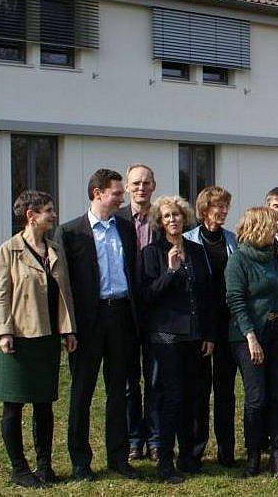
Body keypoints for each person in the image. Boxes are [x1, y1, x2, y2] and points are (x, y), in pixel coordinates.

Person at [55, 168, 140, 481]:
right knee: (82, 392)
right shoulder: (70, 232)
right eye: (117, 193)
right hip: (88, 323)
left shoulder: (126, 228)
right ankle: (80, 461)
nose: (122, 198)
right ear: (98, 193)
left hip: (120, 317)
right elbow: (63, 286)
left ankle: (118, 456)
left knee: (119, 391)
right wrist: (69, 328)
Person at [0, 190, 77, 487]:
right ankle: (19, 469)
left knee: (44, 404)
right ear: (32, 215)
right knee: (13, 406)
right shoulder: (9, 250)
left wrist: (68, 330)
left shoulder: (53, 250)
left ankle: (44, 467)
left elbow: (63, 296)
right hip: (18, 338)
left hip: (47, 338)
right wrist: (3, 332)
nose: (54, 215)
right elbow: (1, 294)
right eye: (49, 211)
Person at [139, 196, 214, 483]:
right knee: (171, 397)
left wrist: (208, 333)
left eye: (177, 215)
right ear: (160, 221)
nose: (173, 220)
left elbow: (206, 294)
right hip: (166, 335)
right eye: (167, 216)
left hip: (195, 335)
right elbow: (147, 295)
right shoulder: (152, 253)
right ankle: (164, 460)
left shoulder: (195, 250)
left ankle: (189, 457)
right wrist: (170, 271)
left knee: (194, 397)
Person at [225, 207, 278, 478]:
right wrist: (251, 337)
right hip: (249, 333)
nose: (276, 229)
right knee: (256, 397)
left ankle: (277, 454)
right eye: (270, 225)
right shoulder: (239, 259)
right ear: (257, 227)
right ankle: (253, 455)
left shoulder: (274, 252)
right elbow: (235, 300)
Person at [184, 186, 239, 467]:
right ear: (205, 208)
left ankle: (226, 450)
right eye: (219, 206)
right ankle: (195, 449)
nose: (224, 211)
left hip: (228, 324)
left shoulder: (233, 241)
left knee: (226, 390)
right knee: (199, 389)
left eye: (227, 206)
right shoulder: (188, 240)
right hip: (200, 326)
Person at [117, 164, 161, 464]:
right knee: (130, 382)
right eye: (135, 183)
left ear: (154, 185)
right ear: (127, 187)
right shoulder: (116, 219)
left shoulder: (164, 217)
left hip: (158, 310)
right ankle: (134, 439)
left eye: (146, 182)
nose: (141, 187)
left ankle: (156, 439)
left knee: (157, 379)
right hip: (125, 311)